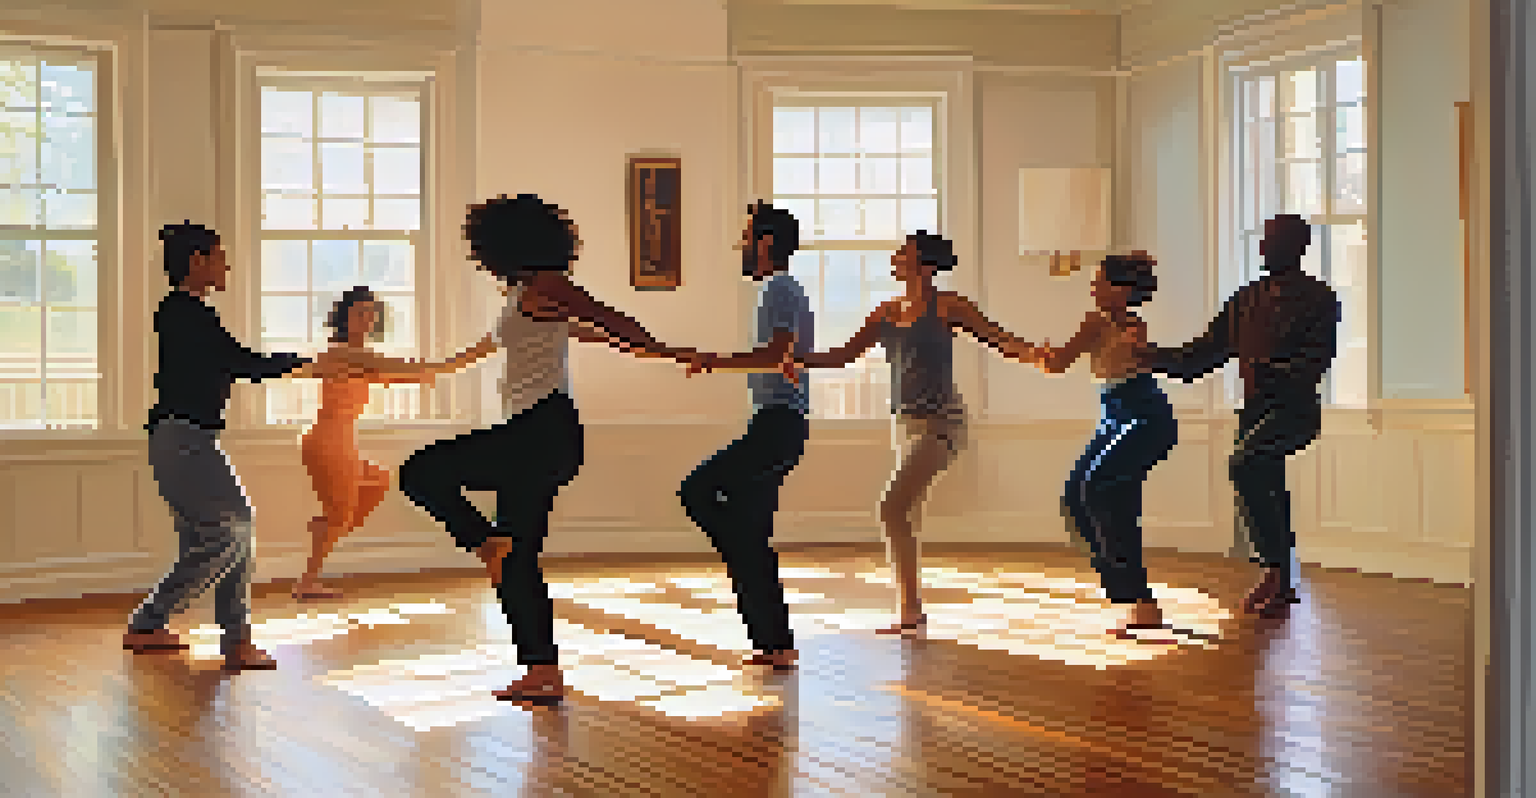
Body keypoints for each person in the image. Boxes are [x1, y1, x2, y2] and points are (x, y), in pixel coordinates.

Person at [397, 194, 703, 705]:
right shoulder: (526, 294)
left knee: (420, 471)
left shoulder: (544, 285)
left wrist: (664, 350)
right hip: (536, 434)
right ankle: (541, 669)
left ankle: (482, 541)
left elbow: (605, 316)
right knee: (520, 559)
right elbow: (578, 333)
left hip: (541, 432)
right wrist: (435, 369)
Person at [795, 232, 1041, 634]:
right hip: (904, 424)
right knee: (905, 512)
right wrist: (793, 358)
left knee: (891, 506)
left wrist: (1037, 354)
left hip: (942, 422)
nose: (895, 256)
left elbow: (999, 338)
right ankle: (911, 610)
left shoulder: (948, 307)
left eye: (904, 251)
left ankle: (910, 610)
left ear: (923, 263)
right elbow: (841, 356)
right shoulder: (885, 312)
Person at [123, 222, 310, 672]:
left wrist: (295, 365)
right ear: (197, 261)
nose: (226, 266)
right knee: (233, 528)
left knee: (211, 536)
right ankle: (204, 633)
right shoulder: (185, 314)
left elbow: (233, 361)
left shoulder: (185, 313)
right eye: (219, 257)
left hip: (188, 438)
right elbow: (240, 362)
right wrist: (304, 362)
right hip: (183, 438)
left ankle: (174, 628)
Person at [1143, 214, 1340, 618]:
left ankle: (1272, 570)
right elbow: (1197, 358)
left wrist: (1262, 367)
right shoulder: (1245, 300)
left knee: (1246, 463)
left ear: (1299, 247)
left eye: (1272, 241)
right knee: (1267, 478)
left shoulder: (1320, 299)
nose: (1263, 248)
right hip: (1253, 414)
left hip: (1295, 413)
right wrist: (1151, 356)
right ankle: (1283, 580)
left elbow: (1312, 366)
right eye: (1263, 240)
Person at [286, 286, 499, 600]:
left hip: (339, 439)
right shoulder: (341, 352)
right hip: (329, 440)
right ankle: (308, 578)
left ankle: (325, 530)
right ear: (344, 317)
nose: (368, 319)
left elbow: (398, 375)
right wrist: (469, 357)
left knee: (377, 480)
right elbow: (401, 369)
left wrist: (426, 374)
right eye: (360, 312)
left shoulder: (360, 359)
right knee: (339, 516)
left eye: (371, 313)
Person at [680, 202, 813, 672]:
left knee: (695, 490)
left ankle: (745, 554)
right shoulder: (785, 288)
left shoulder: (778, 287)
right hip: (778, 423)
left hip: (778, 424)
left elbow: (775, 354)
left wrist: (713, 361)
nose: (740, 245)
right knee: (751, 533)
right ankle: (776, 643)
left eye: (745, 236)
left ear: (764, 242)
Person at [1022, 253, 1180, 640]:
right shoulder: (1117, 323)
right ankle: (1133, 599)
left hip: (1146, 415)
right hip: (1114, 415)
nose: (1093, 288)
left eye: (1101, 281)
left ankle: (1138, 601)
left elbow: (1059, 363)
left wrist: (1037, 355)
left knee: (1097, 487)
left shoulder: (1111, 323)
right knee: (1077, 498)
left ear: (1122, 289)